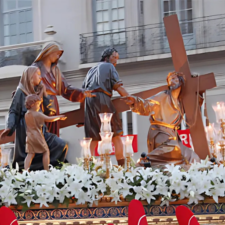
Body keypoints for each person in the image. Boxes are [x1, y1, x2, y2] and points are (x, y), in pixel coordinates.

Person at [124, 71, 200, 166]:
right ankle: (143, 163)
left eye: (174, 78)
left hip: (173, 136)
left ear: (180, 81)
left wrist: (195, 83)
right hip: (160, 133)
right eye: (170, 80)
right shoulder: (163, 96)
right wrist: (135, 102)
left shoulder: (180, 102)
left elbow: (196, 103)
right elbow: (147, 105)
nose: (172, 81)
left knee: (192, 157)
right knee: (173, 149)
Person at [0, 66, 68, 170]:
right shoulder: (20, 92)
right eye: (38, 74)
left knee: (61, 145)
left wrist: (44, 93)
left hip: (40, 129)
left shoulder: (38, 90)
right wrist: (9, 127)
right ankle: (38, 169)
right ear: (31, 76)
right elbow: (13, 111)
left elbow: (50, 110)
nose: (41, 77)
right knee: (33, 152)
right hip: (27, 131)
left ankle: (51, 169)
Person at [32, 42, 94, 136]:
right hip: (39, 105)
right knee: (41, 134)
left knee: (53, 136)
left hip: (52, 104)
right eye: (57, 54)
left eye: (59, 55)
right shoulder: (34, 68)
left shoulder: (56, 71)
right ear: (49, 52)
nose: (58, 57)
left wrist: (82, 93)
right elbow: (26, 84)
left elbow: (65, 89)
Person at [82, 47, 130, 166]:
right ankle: (123, 166)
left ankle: (88, 168)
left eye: (117, 59)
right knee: (116, 133)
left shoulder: (90, 70)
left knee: (92, 136)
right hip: (102, 99)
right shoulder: (109, 67)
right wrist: (131, 99)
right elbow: (117, 86)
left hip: (88, 103)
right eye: (114, 57)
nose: (115, 61)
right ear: (106, 57)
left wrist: (82, 116)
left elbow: (82, 93)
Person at [24, 94, 67, 171]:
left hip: (29, 136)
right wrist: (59, 117)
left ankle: (26, 170)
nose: (39, 107)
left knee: (30, 153)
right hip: (37, 135)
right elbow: (48, 119)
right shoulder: (37, 114)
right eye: (38, 104)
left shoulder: (27, 114)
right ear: (33, 104)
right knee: (46, 151)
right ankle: (47, 169)